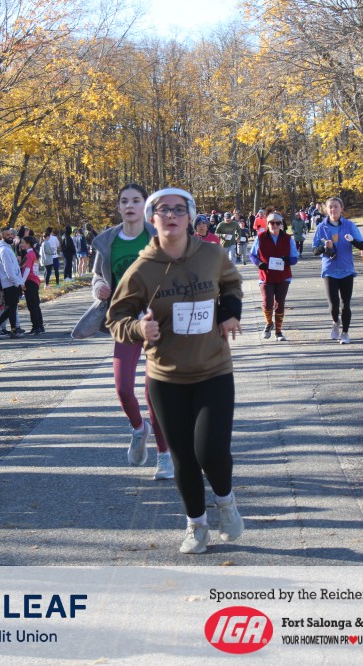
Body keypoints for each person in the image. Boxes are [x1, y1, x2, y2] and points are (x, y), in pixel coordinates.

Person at [107, 187, 245, 554]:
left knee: (211, 452)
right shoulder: (141, 269)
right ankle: (196, 526)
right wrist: (139, 329)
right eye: (163, 210)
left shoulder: (212, 255)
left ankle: (226, 502)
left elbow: (232, 283)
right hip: (167, 378)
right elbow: (116, 318)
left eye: (179, 209)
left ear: (190, 217)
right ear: (152, 219)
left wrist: (230, 312)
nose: (171, 215)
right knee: (183, 456)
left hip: (214, 369)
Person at [72, 184, 173, 481]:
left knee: (155, 392)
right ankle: (138, 429)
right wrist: (98, 288)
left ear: (146, 206)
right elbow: (97, 277)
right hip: (124, 321)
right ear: (118, 207)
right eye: (124, 201)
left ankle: (165, 456)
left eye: (136, 200)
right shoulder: (108, 241)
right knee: (123, 389)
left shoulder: (159, 237)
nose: (130, 205)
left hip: (156, 320)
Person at [313, 197, 363, 344]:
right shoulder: (321, 227)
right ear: (326, 210)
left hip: (346, 269)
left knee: (345, 304)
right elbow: (315, 250)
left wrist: (352, 240)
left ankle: (345, 333)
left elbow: (362, 245)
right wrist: (325, 247)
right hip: (329, 270)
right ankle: (336, 322)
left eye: (336, 206)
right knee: (333, 305)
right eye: (330, 207)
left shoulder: (349, 225)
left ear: (341, 208)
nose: (333, 209)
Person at [250, 211, 299, 341]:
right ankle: (269, 323)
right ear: (267, 224)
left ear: (281, 224)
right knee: (267, 303)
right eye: (272, 223)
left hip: (283, 276)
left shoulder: (287, 238)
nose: (275, 225)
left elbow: (295, 258)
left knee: (280, 304)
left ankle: (278, 331)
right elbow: (252, 255)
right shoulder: (260, 237)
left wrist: (288, 260)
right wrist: (259, 263)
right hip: (266, 276)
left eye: (278, 223)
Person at [0, 228, 24, 339]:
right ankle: (8, 329)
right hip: (10, 283)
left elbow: (15, 267)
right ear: (2, 237)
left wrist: (20, 281)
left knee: (12, 307)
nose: (10, 236)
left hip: (14, 282)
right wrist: (16, 282)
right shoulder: (4, 250)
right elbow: (8, 269)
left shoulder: (8, 248)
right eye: (7, 235)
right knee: (11, 307)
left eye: (11, 234)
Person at [19, 235, 45, 335]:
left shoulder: (30, 254)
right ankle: (40, 326)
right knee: (35, 304)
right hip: (33, 281)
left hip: (30, 281)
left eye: (23, 243)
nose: (21, 244)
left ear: (28, 244)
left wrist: (22, 282)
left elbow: (27, 269)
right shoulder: (32, 253)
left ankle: (36, 327)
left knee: (32, 305)